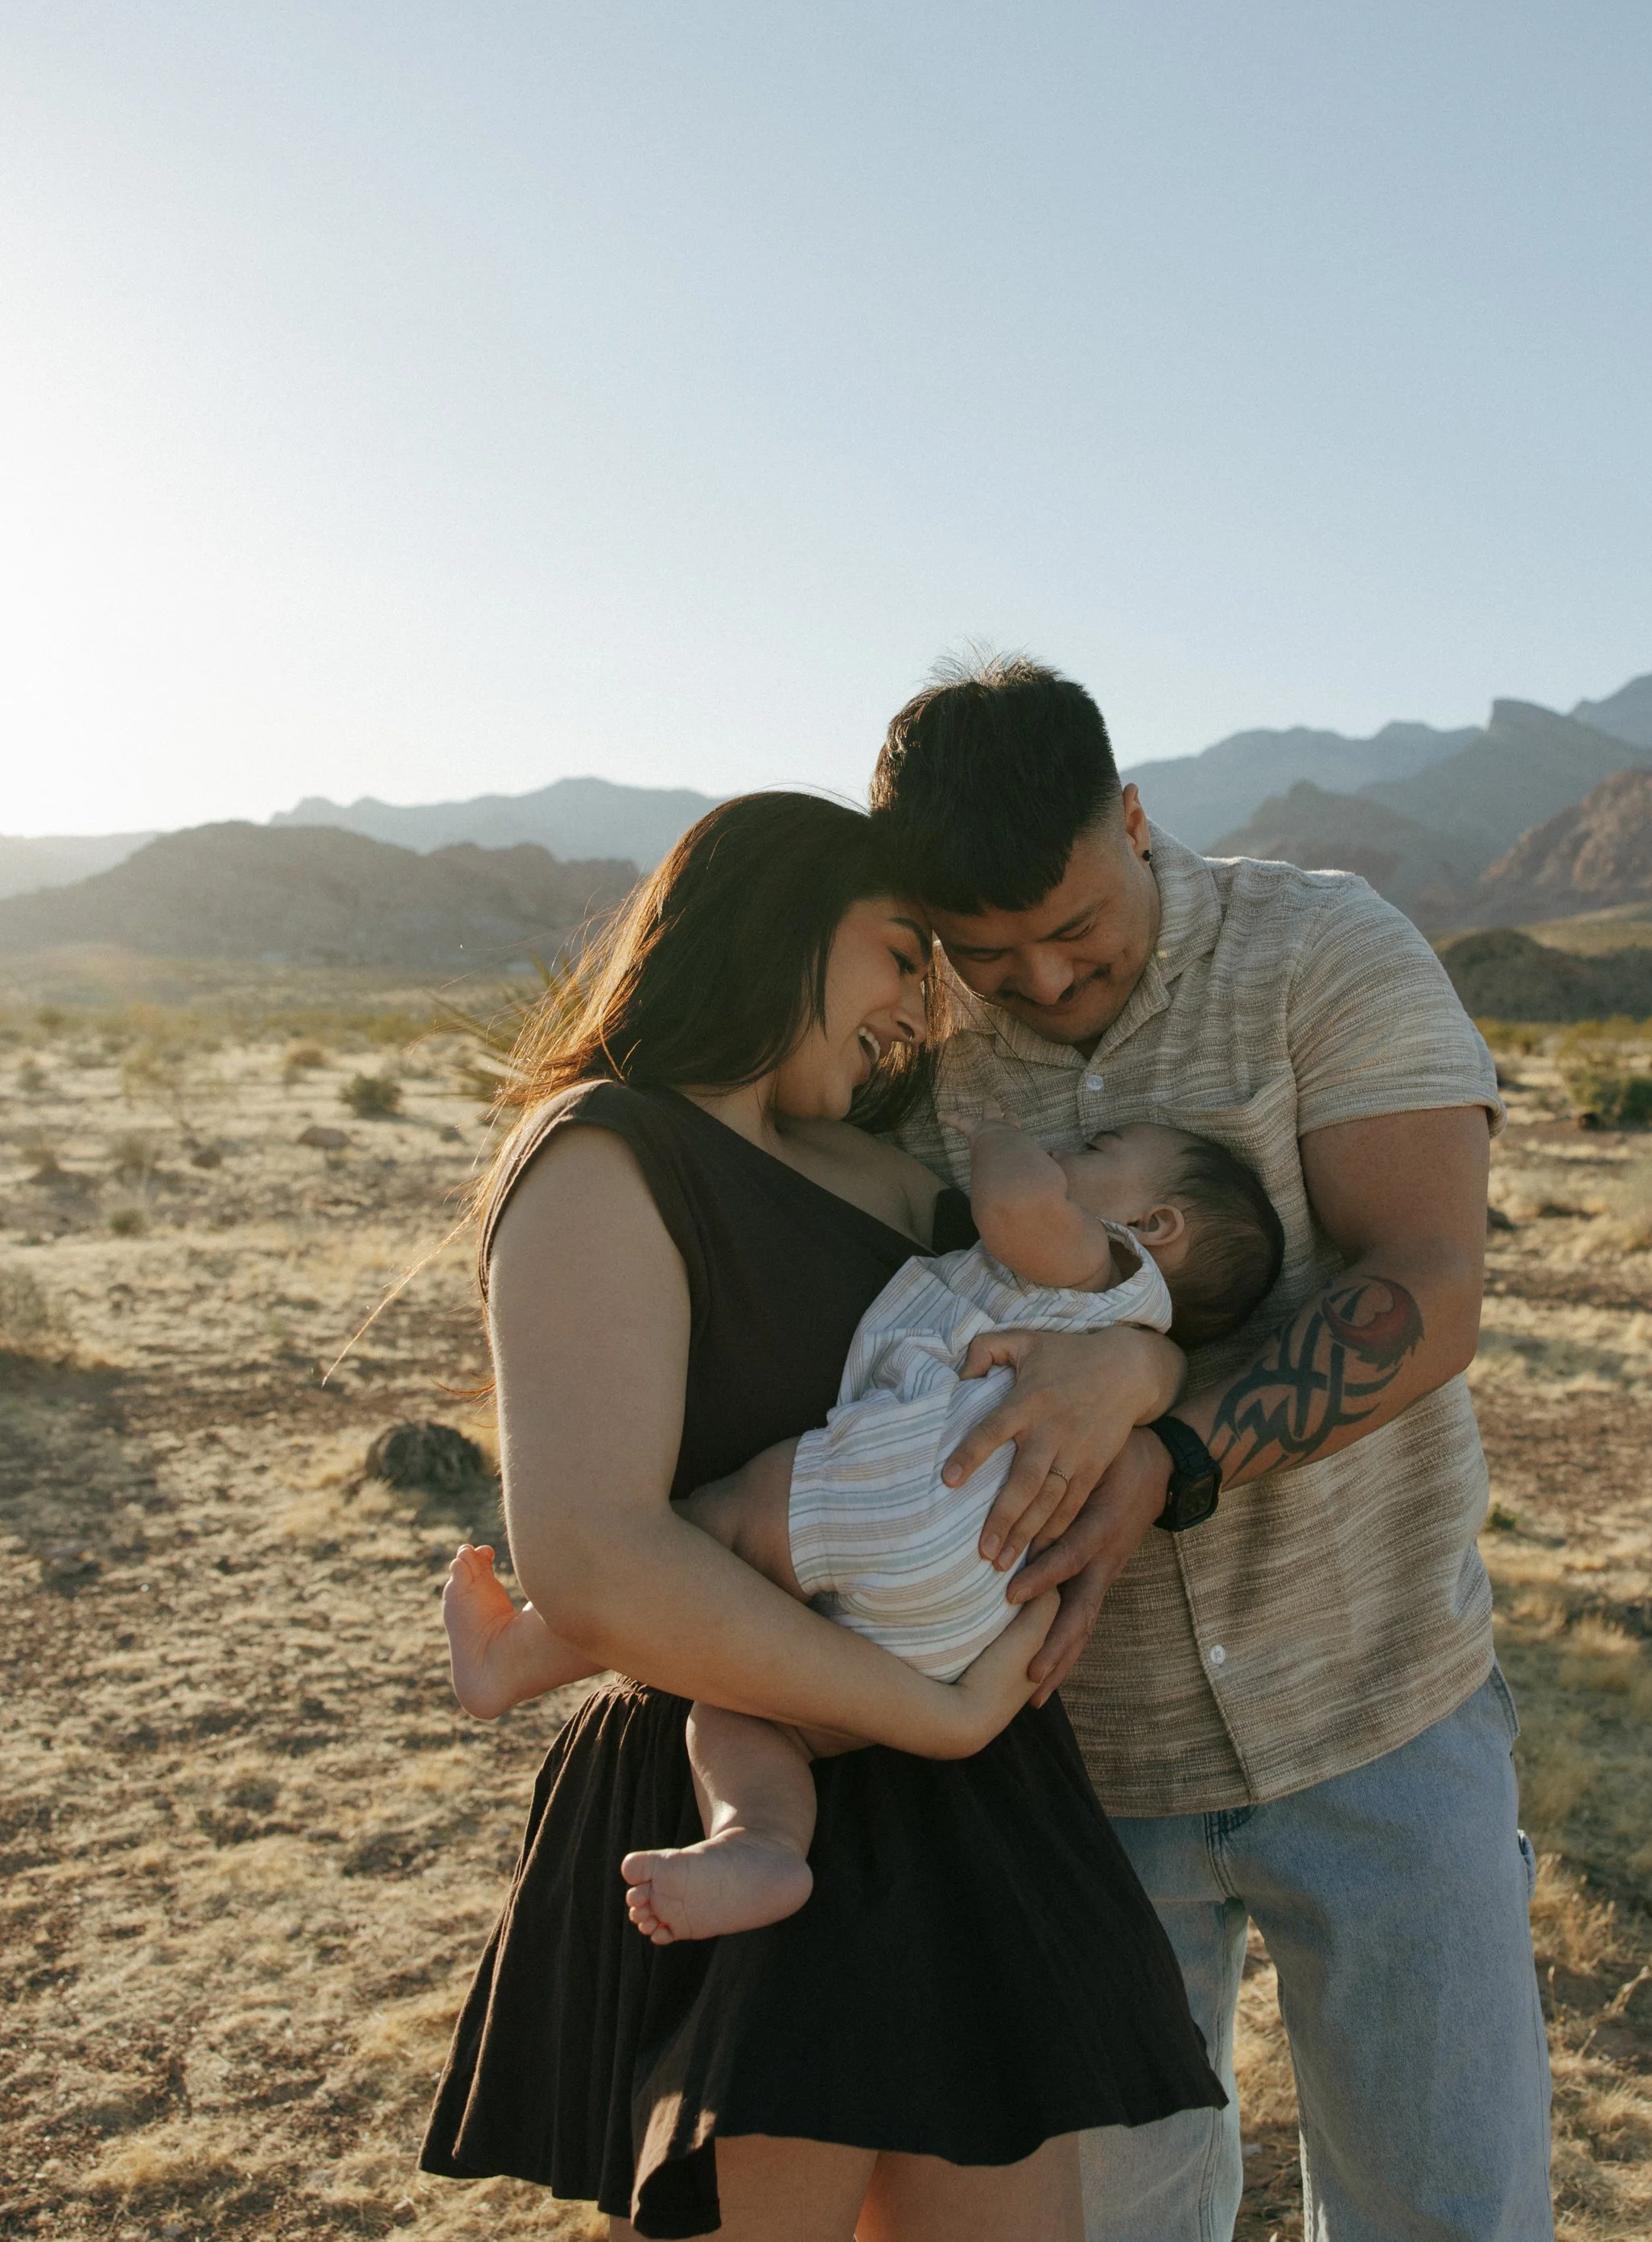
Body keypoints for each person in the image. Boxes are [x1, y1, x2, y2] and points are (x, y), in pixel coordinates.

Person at [418, 792, 1221, 2242]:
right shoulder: (604, 1154)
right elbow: (595, 1556)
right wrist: (935, 1716)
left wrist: (1140, 1362)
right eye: (897, 953)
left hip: (974, 1812)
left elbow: (1061, 1304)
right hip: (752, 1785)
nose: (921, 1007)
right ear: (781, 919)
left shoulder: (880, 1172)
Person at [869, 659, 1553, 2242]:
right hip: (1073, 1767)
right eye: (988, 951)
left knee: (1446, 2213)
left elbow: (1425, 1288)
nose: (1036, 979)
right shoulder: (912, 1045)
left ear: (1130, 814)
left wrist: (1156, 1432)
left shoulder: (1322, 948)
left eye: (1073, 926)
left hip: (1380, 1707)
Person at [443, 1106, 1283, 1947]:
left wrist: (998, 1138)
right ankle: (761, 1840)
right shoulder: (1122, 1331)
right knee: (744, 1707)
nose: (1069, 1148)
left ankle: (512, 1657)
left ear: (1154, 1225)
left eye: (1098, 1148)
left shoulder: (1103, 1260)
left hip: (924, 1489)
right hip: (969, 1601)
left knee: (711, 1530)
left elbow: (1016, 1206)